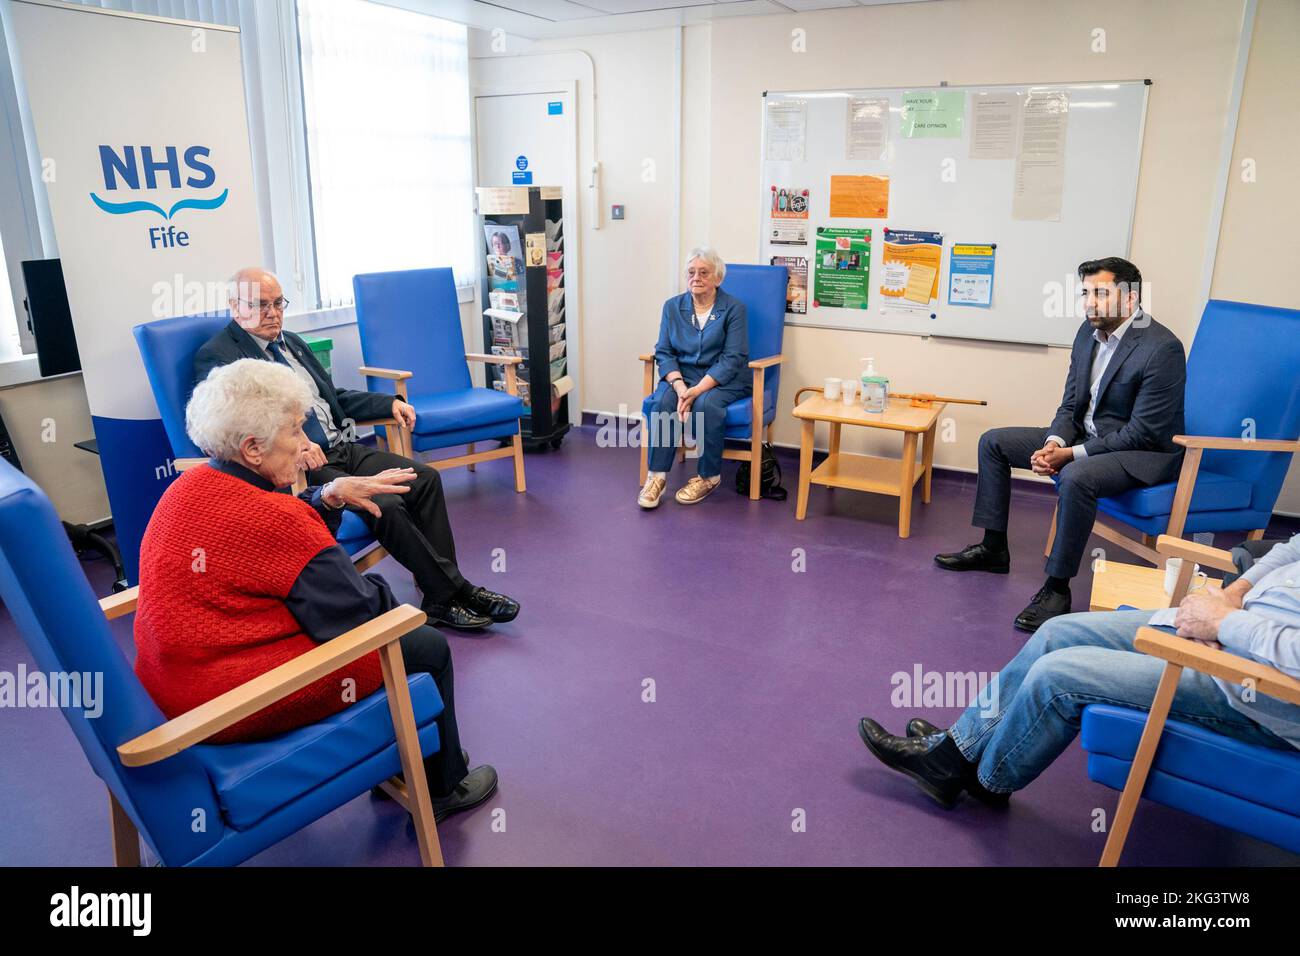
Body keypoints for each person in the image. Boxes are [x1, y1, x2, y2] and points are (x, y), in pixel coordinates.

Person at [135, 359, 497, 820]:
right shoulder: (275, 520)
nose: (308, 445)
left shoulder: (188, 487)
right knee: (424, 642)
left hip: (175, 684)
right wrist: (395, 603)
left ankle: (413, 760)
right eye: (294, 431)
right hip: (231, 703)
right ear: (251, 448)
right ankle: (442, 786)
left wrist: (325, 496)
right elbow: (365, 616)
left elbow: (269, 559)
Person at [859, 533, 1300, 808]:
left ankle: (988, 781)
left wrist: (1224, 623)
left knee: (1058, 674)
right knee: (1057, 631)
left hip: (1256, 686)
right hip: (1231, 624)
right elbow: (1292, 547)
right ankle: (956, 752)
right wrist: (1235, 594)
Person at [194, 267, 518, 630]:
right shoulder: (220, 356)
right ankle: (457, 592)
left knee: (423, 477)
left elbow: (334, 399)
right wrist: (295, 446)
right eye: (261, 305)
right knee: (386, 502)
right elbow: (234, 432)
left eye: (278, 303)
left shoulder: (293, 343)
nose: (273, 313)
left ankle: (440, 596)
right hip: (300, 464)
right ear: (236, 307)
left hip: (343, 448)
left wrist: (388, 404)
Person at [934, 257, 1187, 633]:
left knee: (1075, 476)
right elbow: (1071, 405)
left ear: (1130, 298)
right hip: (1087, 438)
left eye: (1100, 294)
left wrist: (1069, 454)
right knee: (994, 443)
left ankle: (1056, 589)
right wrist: (1054, 441)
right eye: (1086, 293)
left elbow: (1143, 432)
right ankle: (993, 548)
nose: (1089, 303)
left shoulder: (1161, 348)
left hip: (1140, 454)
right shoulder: (1088, 333)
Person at [638, 247, 749, 509]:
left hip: (722, 378)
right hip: (681, 376)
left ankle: (709, 477)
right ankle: (656, 477)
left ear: (717, 278)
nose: (696, 278)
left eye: (704, 273)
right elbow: (664, 351)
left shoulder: (734, 309)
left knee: (706, 405)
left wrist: (696, 391)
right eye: (691, 272)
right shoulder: (672, 307)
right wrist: (678, 386)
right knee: (661, 403)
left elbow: (733, 357)